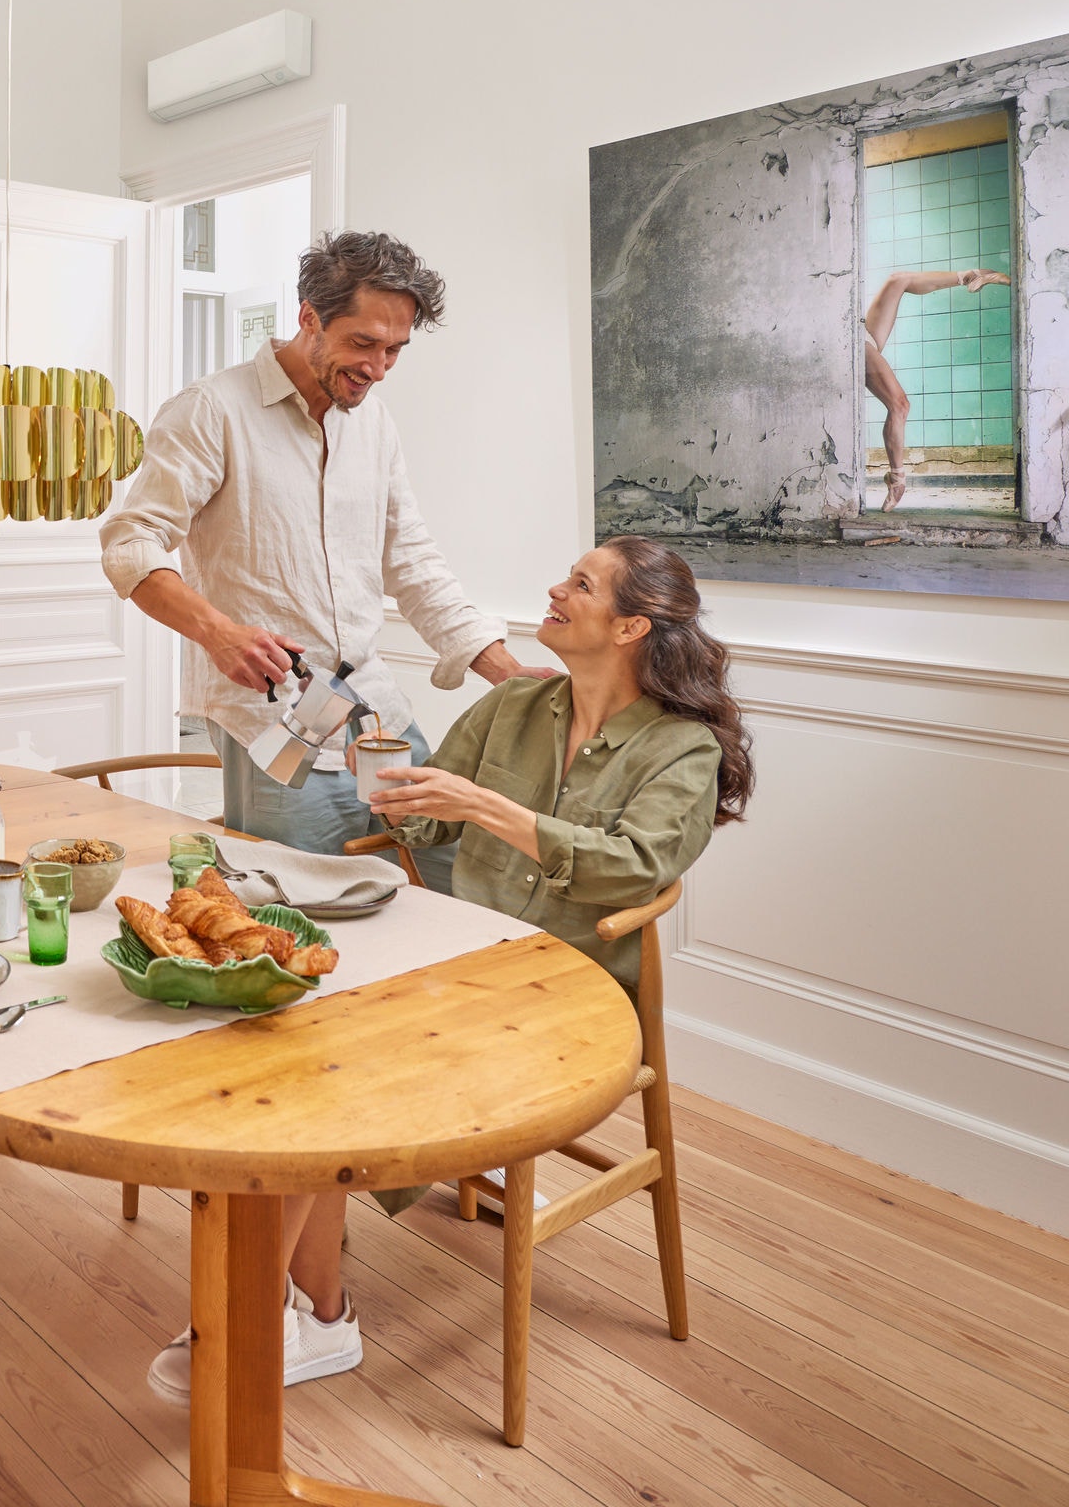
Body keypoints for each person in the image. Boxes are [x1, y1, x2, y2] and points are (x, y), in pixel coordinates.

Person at [101, 229, 540, 1399]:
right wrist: (214, 630)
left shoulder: (374, 422)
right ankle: (301, 1289)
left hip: (377, 710)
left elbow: (414, 563)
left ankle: (360, 1200)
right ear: (305, 313)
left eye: (395, 346)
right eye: (360, 340)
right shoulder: (211, 410)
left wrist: (511, 672)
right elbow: (127, 543)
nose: (378, 363)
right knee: (300, 990)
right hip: (272, 723)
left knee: (407, 962)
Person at [269, 534, 751, 1340]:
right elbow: (424, 822)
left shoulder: (682, 748)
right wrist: (385, 781)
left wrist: (487, 807)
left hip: (573, 998)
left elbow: (634, 869)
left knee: (337, 1077)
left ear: (631, 628)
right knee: (307, 1052)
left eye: (582, 584)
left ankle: (286, 1318)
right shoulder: (513, 705)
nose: (556, 591)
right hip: (459, 968)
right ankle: (303, 1313)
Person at [863, 269, 1011, 509]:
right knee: (900, 404)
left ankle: (973, 275)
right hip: (851, 341)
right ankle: (897, 478)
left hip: (860, 330)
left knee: (897, 279)